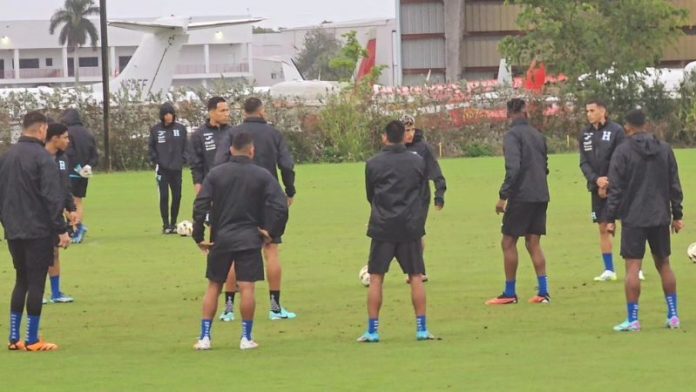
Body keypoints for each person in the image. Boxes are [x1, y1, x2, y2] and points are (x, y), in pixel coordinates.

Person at [192, 132, 288, 350]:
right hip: (249, 238)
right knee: (247, 288)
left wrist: (199, 236)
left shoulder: (216, 174)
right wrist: (271, 231)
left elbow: (200, 205)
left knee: (214, 286)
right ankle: (246, 338)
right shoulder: (261, 175)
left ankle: (205, 337)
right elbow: (280, 205)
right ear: (251, 151)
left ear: (230, 150)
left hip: (221, 238)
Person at [214, 97, 297, 321]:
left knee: (232, 253)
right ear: (262, 112)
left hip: (237, 196)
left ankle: (229, 309)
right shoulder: (274, 134)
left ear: (244, 112)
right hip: (267, 197)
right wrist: (289, 190)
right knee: (271, 250)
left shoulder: (234, 134)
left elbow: (219, 162)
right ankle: (275, 307)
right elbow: (286, 165)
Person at [606, 109, 684, 332]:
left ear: (627, 127)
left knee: (633, 266)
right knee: (664, 264)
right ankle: (674, 315)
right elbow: (674, 184)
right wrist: (677, 215)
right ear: (646, 124)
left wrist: (610, 218)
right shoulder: (665, 149)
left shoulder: (622, 151)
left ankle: (633, 319)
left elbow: (616, 188)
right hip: (660, 216)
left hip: (633, 217)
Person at [357, 120, 434, 343]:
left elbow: (370, 195)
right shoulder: (417, 162)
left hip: (383, 226)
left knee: (376, 278)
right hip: (410, 226)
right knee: (416, 276)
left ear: (384, 137)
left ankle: (373, 331)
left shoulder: (373, 163)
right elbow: (422, 193)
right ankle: (421, 328)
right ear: (404, 137)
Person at [0, 111, 71, 351]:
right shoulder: (42, 158)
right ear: (42, 129)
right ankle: (32, 339)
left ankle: (13, 338)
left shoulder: (7, 157)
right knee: (36, 282)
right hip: (38, 230)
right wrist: (61, 230)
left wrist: (7, 223)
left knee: (21, 279)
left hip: (14, 230)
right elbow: (52, 198)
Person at [486, 98, 550, 305]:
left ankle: (510, 293)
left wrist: (503, 196)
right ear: (526, 112)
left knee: (508, 241)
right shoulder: (538, 135)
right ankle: (543, 293)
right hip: (541, 194)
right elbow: (545, 166)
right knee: (533, 242)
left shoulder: (512, 136)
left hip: (522, 195)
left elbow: (513, 168)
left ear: (508, 114)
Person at [579, 100, 645, 282]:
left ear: (603, 111)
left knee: (629, 225)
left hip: (620, 187)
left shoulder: (616, 131)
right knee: (603, 227)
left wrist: (609, 182)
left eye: (592, 110)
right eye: (587, 111)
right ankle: (609, 270)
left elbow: (622, 158)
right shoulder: (584, 134)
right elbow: (583, 162)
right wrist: (596, 180)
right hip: (596, 188)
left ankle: (636, 267)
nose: (589, 114)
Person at [401, 114, 446, 283]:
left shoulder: (422, 148)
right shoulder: (395, 148)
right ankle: (414, 270)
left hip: (420, 197)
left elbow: (435, 170)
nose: (410, 133)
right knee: (406, 233)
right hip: (401, 197)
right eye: (406, 130)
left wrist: (439, 194)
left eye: (412, 129)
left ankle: (418, 271)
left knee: (416, 231)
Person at [44, 123, 78, 304]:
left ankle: (56, 293)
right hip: (39, 213)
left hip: (56, 212)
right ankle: (36, 292)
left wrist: (71, 208)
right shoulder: (38, 157)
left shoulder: (63, 159)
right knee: (39, 253)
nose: (67, 140)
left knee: (54, 251)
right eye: (65, 137)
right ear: (54, 138)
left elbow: (65, 186)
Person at [149, 102, 188, 234]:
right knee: (164, 196)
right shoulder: (155, 130)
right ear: (162, 116)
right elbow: (151, 148)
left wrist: (183, 160)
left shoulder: (181, 129)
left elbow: (186, 147)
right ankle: (165, 225)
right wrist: (156, 160)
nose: (168, 117)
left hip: (177, 169)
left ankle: (173, 223)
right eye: (166, 114)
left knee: (177, 196)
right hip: (162, 170)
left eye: (170, 114)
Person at [61, 109, 98, 244]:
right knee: (78, 201)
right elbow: (95, 155)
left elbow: (69, 153)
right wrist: (88, 166)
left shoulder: (67, 133)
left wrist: (76, 167)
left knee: (64, 202)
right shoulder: (88, 133)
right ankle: (75, 229)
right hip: (85, 172)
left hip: (71, 171)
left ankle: (77, 227)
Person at [189, 96, 231, 195]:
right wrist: (198, 188)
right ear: (211, 113)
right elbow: (196, 165)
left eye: (227, 110)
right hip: (211, 187)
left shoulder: (233, 132)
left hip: (232, 187)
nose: (227, 114)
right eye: (222, 111)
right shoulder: (199, 135)